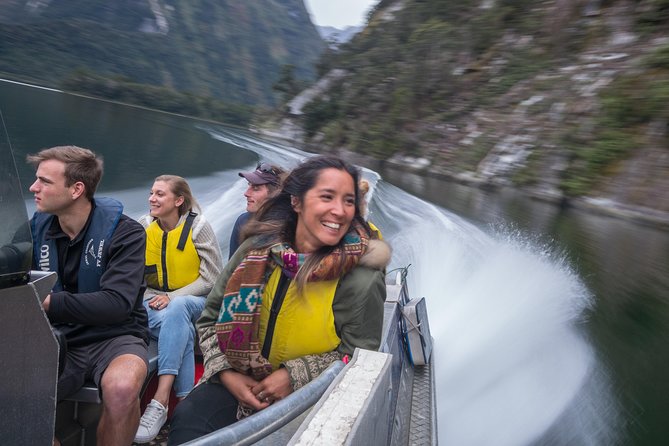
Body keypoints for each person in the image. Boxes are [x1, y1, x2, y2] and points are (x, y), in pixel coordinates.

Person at [167, 155, 392, 444]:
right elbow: (210, 318)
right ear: (296, 202)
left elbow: (359, 361)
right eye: (327, 197)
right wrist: (226, 373)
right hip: (236, 379)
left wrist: (293, 376)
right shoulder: (254, 251)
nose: (340, 211)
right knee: (188, 422)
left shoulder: (360, 278)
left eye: (349, 201)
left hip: (308, 401)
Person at [27, 146, 149, 446]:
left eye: (44, 181)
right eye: (36, 179)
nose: (33, 187)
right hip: (55, 337)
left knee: (121, 388)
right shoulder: (36, 229)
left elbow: (117, 304)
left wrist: (46, 301)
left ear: (76, 189)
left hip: (115, 337)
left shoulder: (127, 234)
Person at [134, 175, 223, 443]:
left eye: (160, 194)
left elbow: (212, 278)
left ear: (178, 200)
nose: (152, 198)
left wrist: (173, 297)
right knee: (178, 327)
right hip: (153, 301)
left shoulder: (199, 228)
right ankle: (184, 403)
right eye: (151, 193)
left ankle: (160, 400)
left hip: (194, 301)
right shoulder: (143, 226)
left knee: (179, 309)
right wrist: (159, 298)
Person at [228, 162, 285, 258]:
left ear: (275, 194)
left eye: (255, 188)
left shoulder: (289, 227)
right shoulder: (242, 221)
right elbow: (231, 267)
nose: (246, 193)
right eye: (249, 185)